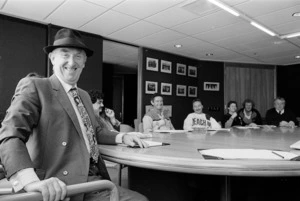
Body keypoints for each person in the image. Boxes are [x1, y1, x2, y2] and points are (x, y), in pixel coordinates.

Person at [0, 28, 148, 201]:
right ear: (52, 58)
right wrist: (30, 181)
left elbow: (94, 131)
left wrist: (123, 137)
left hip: (93, 177)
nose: (72, 62)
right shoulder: (36, 86)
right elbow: (10, 136)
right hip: (59, 185)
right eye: (65, 54)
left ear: (84, 62)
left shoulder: (84, 96)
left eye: (78, 56)